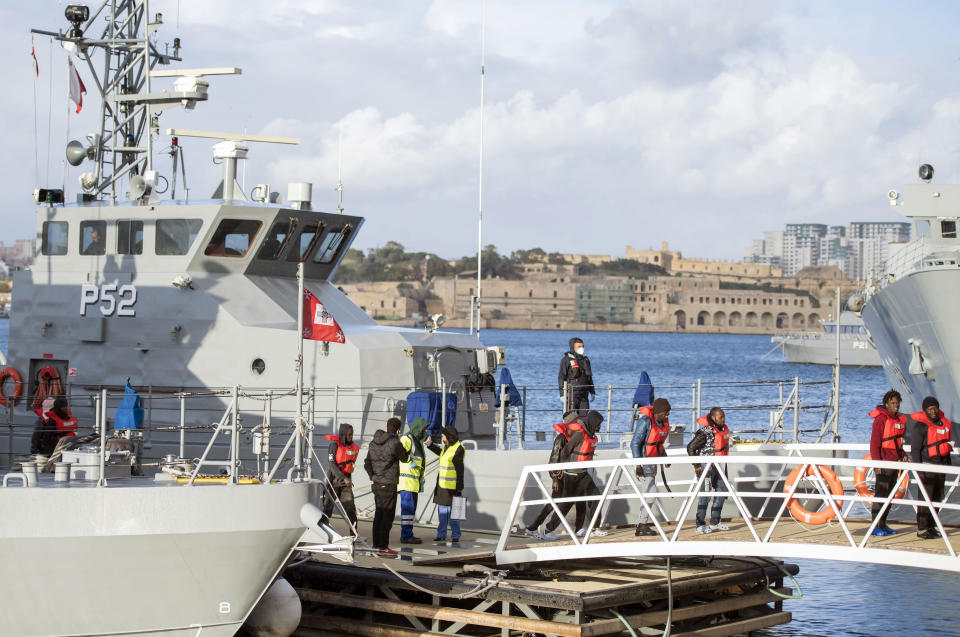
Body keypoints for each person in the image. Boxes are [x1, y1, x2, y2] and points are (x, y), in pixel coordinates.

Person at [543, 410, 607, 539]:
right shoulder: (579, 435)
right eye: (598, 424)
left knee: (596, 497)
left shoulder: (591, 435)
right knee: (566, 504)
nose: (599, 427)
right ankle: (548, 530)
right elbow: (565, 451)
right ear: (593, 423)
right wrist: (561, 469)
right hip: (572, 475)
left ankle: (593, 528)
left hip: (583, 474)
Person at [523, 411, 577, 539]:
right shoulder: (561, 439)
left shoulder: (572, 437)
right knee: (563, 503)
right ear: (571, 423)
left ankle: (532, 528)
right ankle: (547, 530)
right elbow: (553, 459)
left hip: (566, 475)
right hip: (559, 477)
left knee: (553, 503)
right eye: (576, 421)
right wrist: (555, 479)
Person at [909, 396, 953, 539]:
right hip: (927, 468)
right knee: (925, 500)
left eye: (935, 408)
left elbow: (945, 446)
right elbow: (915, 450)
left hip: (941, 467)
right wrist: (919, 470)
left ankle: (931, 526)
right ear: (925, 410)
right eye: (930, 409)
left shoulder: (943, 423)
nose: (933, 411)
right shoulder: (920, 426)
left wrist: (949, 465)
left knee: (937, 498)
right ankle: (922, 529)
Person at [363, 417, 409, 555]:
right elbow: (405, 458)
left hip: (376, 484)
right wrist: (400, 441)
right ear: (397, 430)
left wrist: (372, 476)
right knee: (387, 517)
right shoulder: (395, 443)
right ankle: (383, 546)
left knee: (378, 514)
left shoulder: (373, 443)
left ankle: (376, 545)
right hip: (389, 484)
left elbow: (367, 463)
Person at [868, 390, 907, 536]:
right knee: (881, 495)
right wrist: (877, 465)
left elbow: (898, 444)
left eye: (897, 403)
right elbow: (874, 444)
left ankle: (883, 524)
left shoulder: (899, 421)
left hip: (895, 463)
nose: (896, 406)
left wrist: (903, 455)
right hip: (884, 464)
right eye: (892, 403)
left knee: (890, 496)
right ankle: (875, 526)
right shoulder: (881, 420)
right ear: (886, 404)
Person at [687, 407, 731, 534]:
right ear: (713, 417)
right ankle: (699, 525)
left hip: (720, 465)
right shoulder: (705, 432)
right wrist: (696, 465)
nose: (723, 419)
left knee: (721, 492)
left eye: (723, 416)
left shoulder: (722, 429)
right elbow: (691, 447)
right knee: (705, 496)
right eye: (720, 417)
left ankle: (715, 522)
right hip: (707, 466)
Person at [630, 397, 671, 536]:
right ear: (658, 411)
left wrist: (664, 458)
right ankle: (641, 525)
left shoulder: (661, 423)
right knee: (651, 493)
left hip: (653, 463)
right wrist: (638, 464)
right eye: (666, 412)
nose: (668, 415)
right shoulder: (646, 421)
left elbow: (658, 443)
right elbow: (635, 443)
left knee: (650, 494)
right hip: (643, 462)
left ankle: (642, 525)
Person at [427, 426, 465, 543]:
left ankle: (455, 535)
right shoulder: (447, 447)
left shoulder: (459, 449)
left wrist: (459, 487)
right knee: (442, 513)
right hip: (442, 486)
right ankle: (441, 534)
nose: (442, 436)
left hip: (454, 488)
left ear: (449, 436)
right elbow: (441, 453)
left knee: (455, 514)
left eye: (443, 435)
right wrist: (430, 445)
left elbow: (460, 470)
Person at [397, 417, 431, 544]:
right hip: (407, 483)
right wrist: (408, 461)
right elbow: (398, 451)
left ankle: (408, 533)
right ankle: (406, 536)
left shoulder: (417, 441)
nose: (426, 430)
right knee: (407, 511)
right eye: (424, 428)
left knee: (410, 512)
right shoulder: (408, 438)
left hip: (413, 484)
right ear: (418, 428)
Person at [322, 423, 359, 528]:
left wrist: (347, 479)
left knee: (351, 510)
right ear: (343, 434)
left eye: (352, 434)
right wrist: (343, 477)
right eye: (349, 435)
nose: (351, 437)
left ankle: (353, 535)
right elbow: (332, 464)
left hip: (345, 486)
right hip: (333, 482)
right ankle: (323, 530)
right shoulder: (334, 445)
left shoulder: (351, 447)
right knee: (327, 509)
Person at [558, 337, 595, 417]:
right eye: (579, 346)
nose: (581, 348)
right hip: (572, 393)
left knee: (584, 417)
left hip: (584, 394)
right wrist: (562, 394)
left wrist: (592, 392)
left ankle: (582, 429)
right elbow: (561, 377)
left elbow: (589, 377)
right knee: (570, 418)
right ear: (573, 347)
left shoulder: (585, 360)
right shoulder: (566, 360)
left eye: (582, 346)